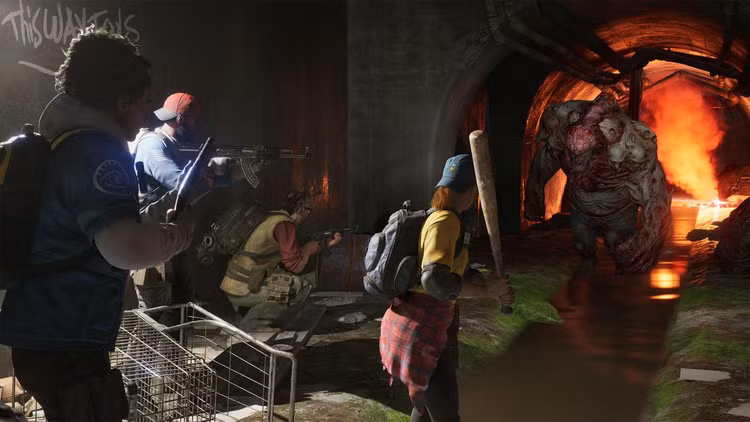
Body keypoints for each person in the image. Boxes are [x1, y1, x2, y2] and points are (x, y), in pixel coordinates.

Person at [0, 26, 195, 421]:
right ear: (120, 102)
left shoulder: (66, 143)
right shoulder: (98, 151)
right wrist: (181, 232)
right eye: (144, 103)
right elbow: (126, 248)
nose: (146, 116)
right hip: (67, 336)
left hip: (44, 332)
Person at [379, 154, 515, 422]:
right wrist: (486, 292)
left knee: (425, 409)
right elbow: (436, 282)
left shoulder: (439, 217)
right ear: (472, 191)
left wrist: (491, 285)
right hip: (421, 331)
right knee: (446, 414)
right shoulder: (446, 221)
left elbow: (457, 272)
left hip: (414, 325)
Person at [220, 191, 343, 314]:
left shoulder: (273, 217)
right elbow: (295, 265)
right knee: (300, 286)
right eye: (308, 210)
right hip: (244, 290)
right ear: (301, 209)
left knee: (287, 280)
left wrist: (325, 244)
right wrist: (309, 248)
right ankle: (255, 321)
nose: (308, 214)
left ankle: (247, 312)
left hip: (235, 284)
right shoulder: (285, 224)